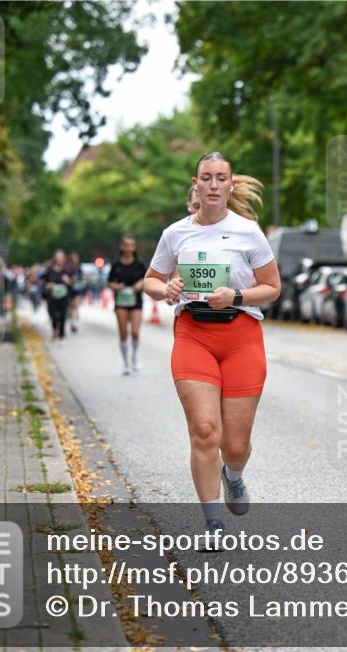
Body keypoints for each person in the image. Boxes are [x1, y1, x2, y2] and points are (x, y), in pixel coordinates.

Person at [143, 152, 281, 533]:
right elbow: (150, 280)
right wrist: (165, 287)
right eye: (207, 178)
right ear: (196, 184)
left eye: (221, 178)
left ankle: (232, 476)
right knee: (205, 431)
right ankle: (213, 523)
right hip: (193, 334)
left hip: (241, 337)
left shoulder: (249, 231)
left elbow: (272, 287)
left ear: (231, 185)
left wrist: (235, 296)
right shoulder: (175, 233)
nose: (214, 184)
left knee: (234, 446)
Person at [106, 235, 147, 374]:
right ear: (122, 247)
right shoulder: (116, 265)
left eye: (131, 245)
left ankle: (134, 357)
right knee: (123, 333)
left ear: (134, 247)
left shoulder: (140, 265)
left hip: (136, 301)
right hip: (121, 302)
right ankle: (125, 363)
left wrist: (140, 284)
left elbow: (147, 279)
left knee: (135, 332)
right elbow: (110, 283)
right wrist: (118, 287)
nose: (129, 248)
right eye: (126, 245)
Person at [43, 250, 72, 341]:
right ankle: (55, 327)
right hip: (52, 296)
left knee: (63, 314)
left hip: (63, 296)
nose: (60, 260)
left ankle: (61, 333)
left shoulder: (67, 271)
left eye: (61, 258)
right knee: (53, 314)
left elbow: (72, 284)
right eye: (58, 258)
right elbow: (44, 283)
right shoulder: (50, 271)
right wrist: (49, 286)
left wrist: (68, 281)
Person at [67, 252, 85, 333]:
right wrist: (71, 281)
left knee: (76, 307)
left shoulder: (79, 269)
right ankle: (72, 322)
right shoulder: (68, 268)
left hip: (77, 290)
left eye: (77, 258)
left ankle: (75, 324)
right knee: (71, 308)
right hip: (70, 290)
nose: (76, 260)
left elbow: (82, 279)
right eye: (74, 258)